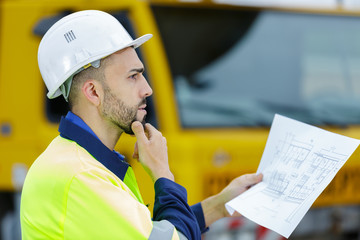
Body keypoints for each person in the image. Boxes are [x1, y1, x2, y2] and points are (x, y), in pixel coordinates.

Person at [20, 10, 262, 240]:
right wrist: (162, 173)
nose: (147, 89)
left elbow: (152, 232)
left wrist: (221, 204)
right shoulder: (80, 176)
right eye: (133, 76)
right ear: (93, 92)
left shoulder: (80, 163)